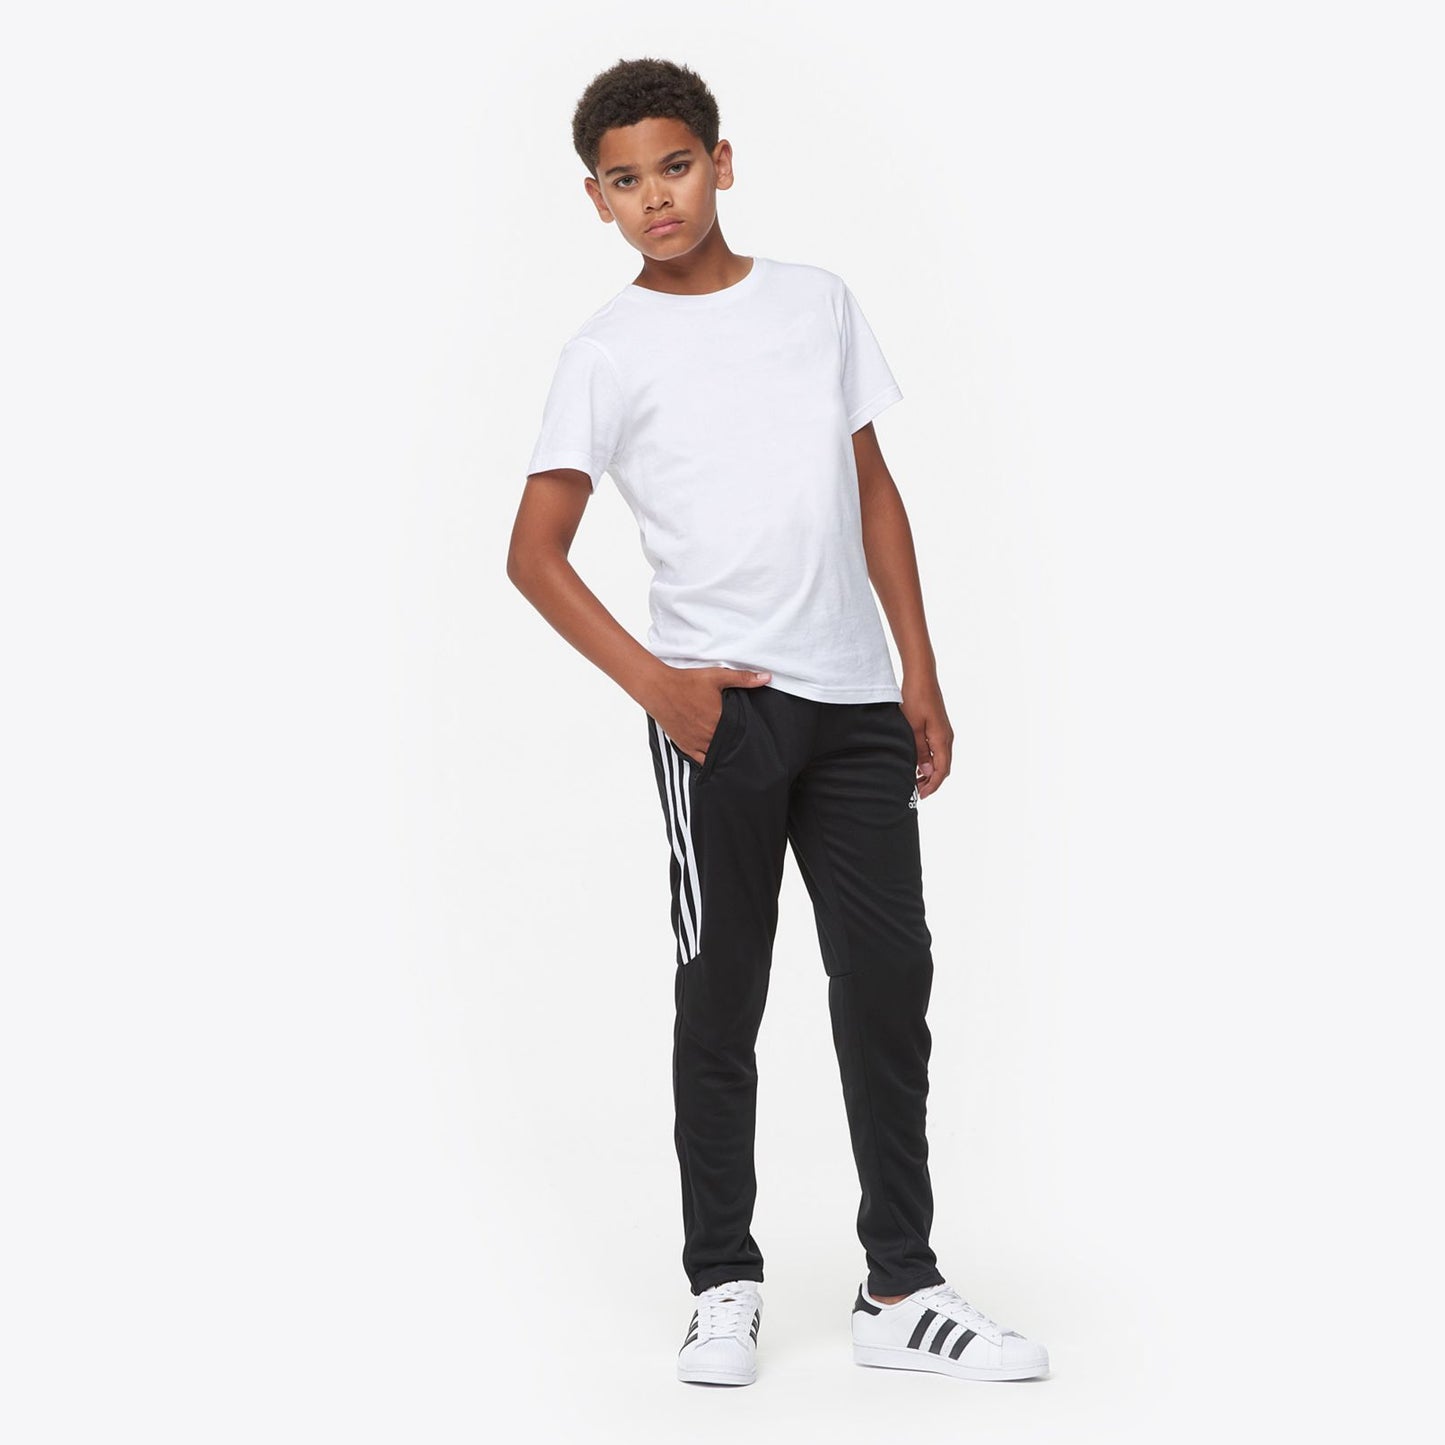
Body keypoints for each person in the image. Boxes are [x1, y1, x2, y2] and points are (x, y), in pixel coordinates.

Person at [506, 56, 1049, 1388]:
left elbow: (873, 491)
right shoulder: (604, 352)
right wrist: (663, 687)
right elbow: (533, 552)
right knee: (723, 993)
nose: (656, 198)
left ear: (722, 163)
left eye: (674, 167)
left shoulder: (816, 304)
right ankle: (722, 1280)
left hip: (854, 705)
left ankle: (899, 1284)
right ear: (595, 201)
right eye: (624, 182)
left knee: (889, 981)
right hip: (722, 718)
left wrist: (917, 671)